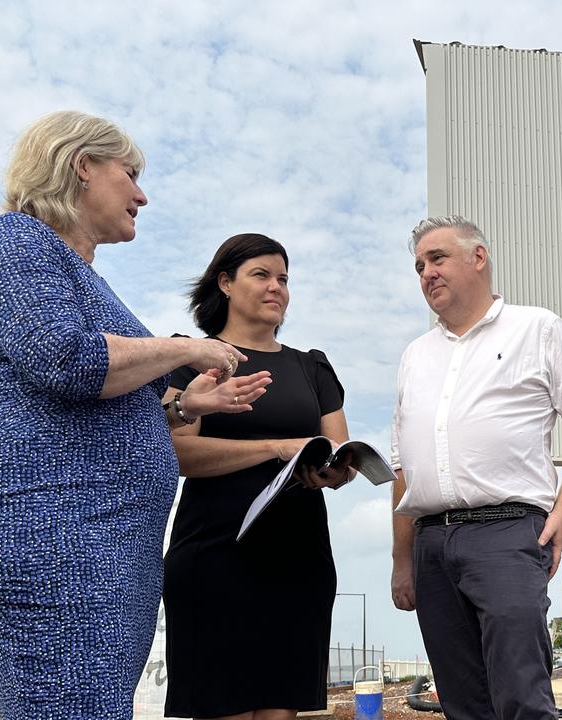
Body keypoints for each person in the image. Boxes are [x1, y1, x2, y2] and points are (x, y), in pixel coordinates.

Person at [0, 110, 271, 719]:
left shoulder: (76, 273)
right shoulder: (12, 239)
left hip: (98, 532)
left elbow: (90, 390)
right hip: (51, 522)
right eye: (131, 173)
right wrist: (186, 348)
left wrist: (178, 404)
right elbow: (65, 358)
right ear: (81, 166)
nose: (142, 194)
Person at [390, 215, 562, 720]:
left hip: (508, 534)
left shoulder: (536, 328)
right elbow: (402, 465)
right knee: (462, 703)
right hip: (430, 545)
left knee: (521, 697)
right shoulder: (414, 356)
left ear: (478, 258)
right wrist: (401, 560)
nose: (426, 272)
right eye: (419, 265)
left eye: (438, 258)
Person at [162, 233, 352, 720]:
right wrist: (275, 448)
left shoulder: (312, 367)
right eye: (262, 275)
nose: (277, 288)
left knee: (280, 709)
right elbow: (178, 451)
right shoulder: (191, 357)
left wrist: (333, 472)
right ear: (224, 282)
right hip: (215, 554)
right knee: (221, 706)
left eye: (284, 278)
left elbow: (338, 451)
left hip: (297, 554)